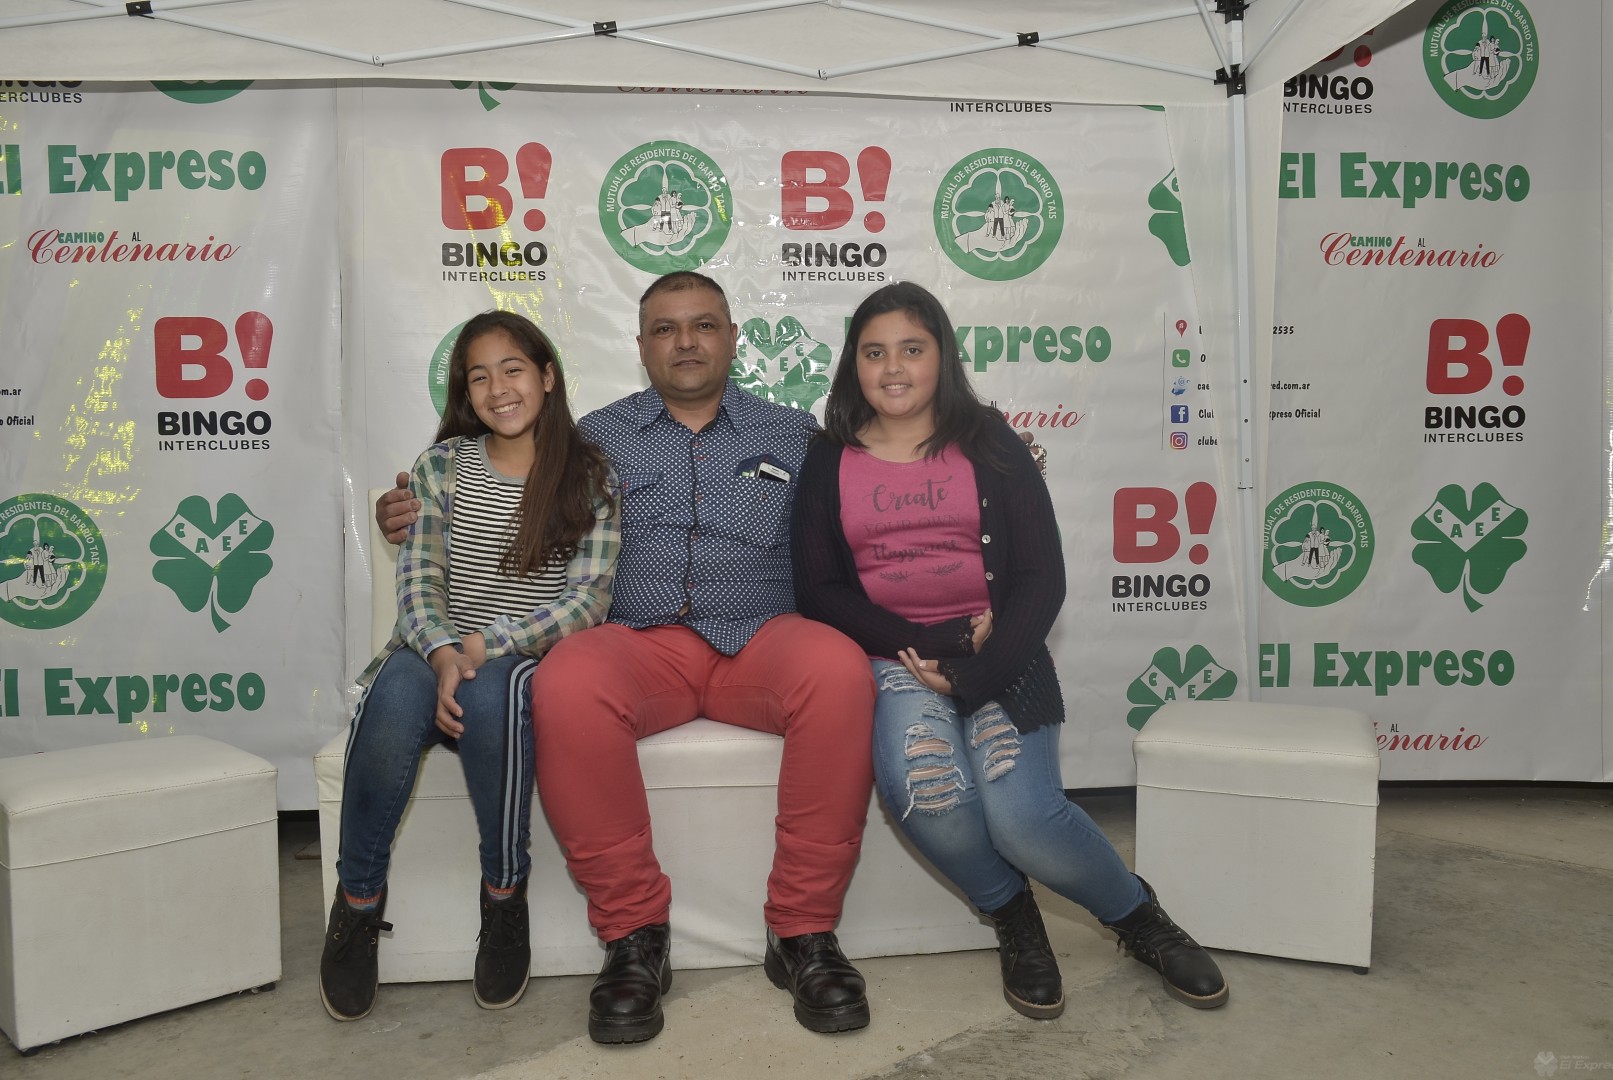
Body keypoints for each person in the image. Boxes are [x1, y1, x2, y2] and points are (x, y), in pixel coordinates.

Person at [377, 272, 877, 1043]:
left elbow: (882, 484)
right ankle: (635, 937)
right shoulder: (592, 438)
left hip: (764, 636)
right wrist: (410, 512)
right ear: (641, 347)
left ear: (733, 338)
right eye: (665, 329)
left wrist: (991, 463)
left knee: (841, 671)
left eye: (703, 325)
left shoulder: (793, 434)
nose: (686, 342)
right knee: (568, 681)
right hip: (640, 640)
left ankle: (803, 932)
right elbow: (497, 497)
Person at [790, 282, 1228, 1019]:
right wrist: (936, 644)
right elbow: (819, 590)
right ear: (852, 364)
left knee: (1023, 820)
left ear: (942, 356)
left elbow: (1040, 576)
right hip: (897, 659)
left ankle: (1137, 917)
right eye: (873, 352)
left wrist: (977, 670)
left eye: (911, 349)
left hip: (1002, 656)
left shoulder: (988, 438)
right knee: (931, 796)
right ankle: (1012, 913)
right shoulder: (829, 455)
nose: (892, 368)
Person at [328, 311, 619, 1022]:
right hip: (431, 645)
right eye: (479, 377)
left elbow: (587, 601)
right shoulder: (442, 466)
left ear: (547, 377)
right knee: (393, 696)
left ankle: (504, 897)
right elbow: (418, 579)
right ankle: (357, 903)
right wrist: (440, 651)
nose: (498, 389)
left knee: (491, 700)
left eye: (513, 369)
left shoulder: (590, 475)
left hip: (517, 655)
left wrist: (484, 649)